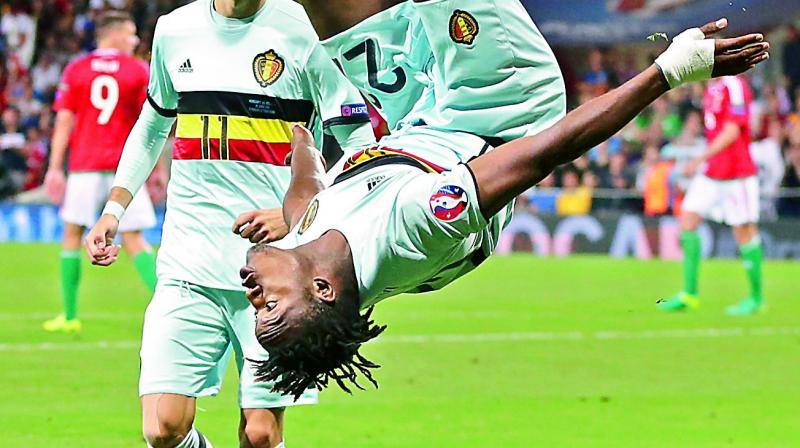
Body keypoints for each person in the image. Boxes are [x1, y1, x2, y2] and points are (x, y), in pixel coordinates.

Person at [238, 20, 769, 399]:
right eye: (270, 309)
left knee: (333, 14)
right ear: (324, 290)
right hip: (501, 104)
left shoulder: (309, 243)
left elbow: (305, 196)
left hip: (415, 116)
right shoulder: (412, 231)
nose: (254, 295)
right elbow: (543, 152)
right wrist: (667, 72)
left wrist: (298, 130)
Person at [84, 1, 375, 447]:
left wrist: (301, 210)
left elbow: (360, 139)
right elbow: (151, 126)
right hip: (188, 261)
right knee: (162, 428)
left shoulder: (304, 29)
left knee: (260, 435)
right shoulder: (175, 30)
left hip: (274, 276)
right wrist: (114, 208)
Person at [41, 11, 161, 334]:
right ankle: (168, 309)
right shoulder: (138, 70)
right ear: (116, 35)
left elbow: (65, 120)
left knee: (71, 235)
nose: (135, 41)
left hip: (85, 166)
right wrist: (158, 168)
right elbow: (153, 125)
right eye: (132, 34)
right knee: (135, 239)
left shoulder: (77, 69)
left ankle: (68, 316)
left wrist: (54, 168)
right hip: (126, 169)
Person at [658, 74, 764, 315]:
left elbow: (733, 131)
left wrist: (699, 158)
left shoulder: (733, 84)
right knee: (688, 218)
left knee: (744, 232)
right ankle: (690, 294)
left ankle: (756, 298)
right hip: (713, 172)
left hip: (738, 173)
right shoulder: (710, 87)